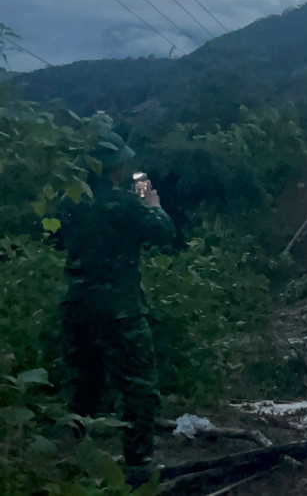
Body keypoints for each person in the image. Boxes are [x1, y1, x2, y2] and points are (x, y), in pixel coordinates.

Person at [60, 131, 174, 474]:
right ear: (117, 167)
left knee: (84, 386)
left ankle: (74, 459)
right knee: (138, 388)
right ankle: (138, 464)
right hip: (118, 311)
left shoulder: (73, 200)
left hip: (76, 306)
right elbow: (162, 231)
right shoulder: (124, 205)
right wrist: (151, 202)